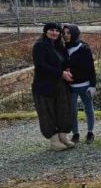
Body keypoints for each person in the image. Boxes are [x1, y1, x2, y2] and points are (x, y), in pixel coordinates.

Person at [32, 22, 75, 151]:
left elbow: (64, 61)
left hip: (60, 84)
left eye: (57, 31)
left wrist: (67, 69)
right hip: (44, 85)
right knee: (47, 111)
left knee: (63, 109)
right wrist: (61, 73)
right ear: (45, 31)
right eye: (51, 30)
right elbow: (41, 66)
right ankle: (54, 140)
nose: (54, 33)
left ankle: (63, 136)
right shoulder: (40, 46)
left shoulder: (58, 46)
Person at [63, 24, 96, 144]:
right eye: (64, 33)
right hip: (70, 86)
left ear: (75, 33)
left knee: (88, 109)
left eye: (69, 33)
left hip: (85, 85)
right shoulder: (63, 48)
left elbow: (91, 68)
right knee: (72, 111)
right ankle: (75, 133)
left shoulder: (84, 48)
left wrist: (93, 85)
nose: (66, 35)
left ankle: (90, 132)